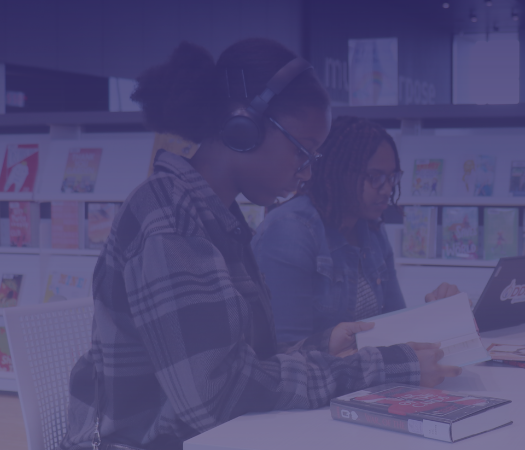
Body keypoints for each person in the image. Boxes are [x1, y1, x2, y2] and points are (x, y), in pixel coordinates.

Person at [61, 40, 458, 450]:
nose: (305, 174)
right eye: (302, 151)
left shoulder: (216, 217)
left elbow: (244, 362)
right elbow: (216, 398)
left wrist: (321, 345)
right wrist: (385, 368)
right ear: (242, 127)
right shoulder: (170, 221)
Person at [252, 116, 459, 348]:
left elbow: (396, 323)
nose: (388, 189)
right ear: (340, 173)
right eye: (376, 177)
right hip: (319, 380)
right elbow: (288, 352)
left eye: (392, 177)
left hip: (366, 377)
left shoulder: (371, 229)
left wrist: (438, 312)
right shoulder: (290, 231)